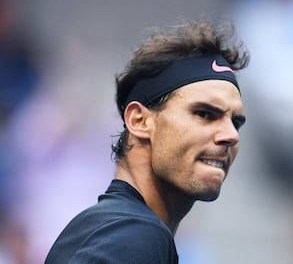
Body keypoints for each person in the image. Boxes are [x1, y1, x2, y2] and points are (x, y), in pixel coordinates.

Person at [45, 19, 249, 263]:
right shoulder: (135, 237)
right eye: (204, 114)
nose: (231, 136)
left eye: (235, 122)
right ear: (140, 121)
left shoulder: (114, 229)